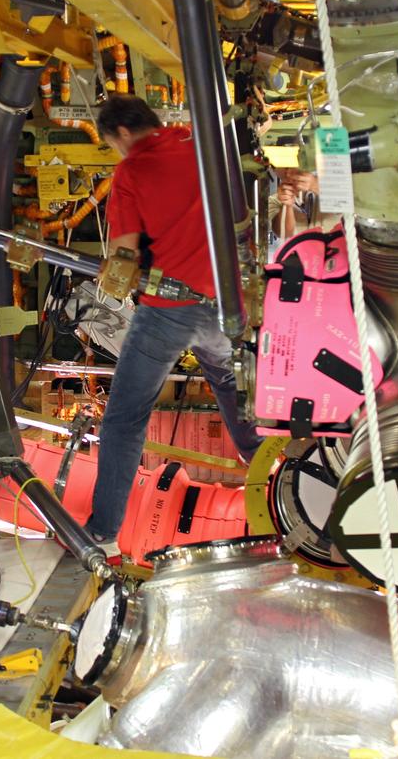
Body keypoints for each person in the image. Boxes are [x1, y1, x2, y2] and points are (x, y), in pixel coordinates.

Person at [86, 94, 264, 554]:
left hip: (168, 310)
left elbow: (123, 254)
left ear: (123, 134)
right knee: (232, 387)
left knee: (126, 419)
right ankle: (268, 468)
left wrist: (116, 277)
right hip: (227, 305)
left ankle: (103, 533)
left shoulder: (130, 171)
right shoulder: (202, 146)